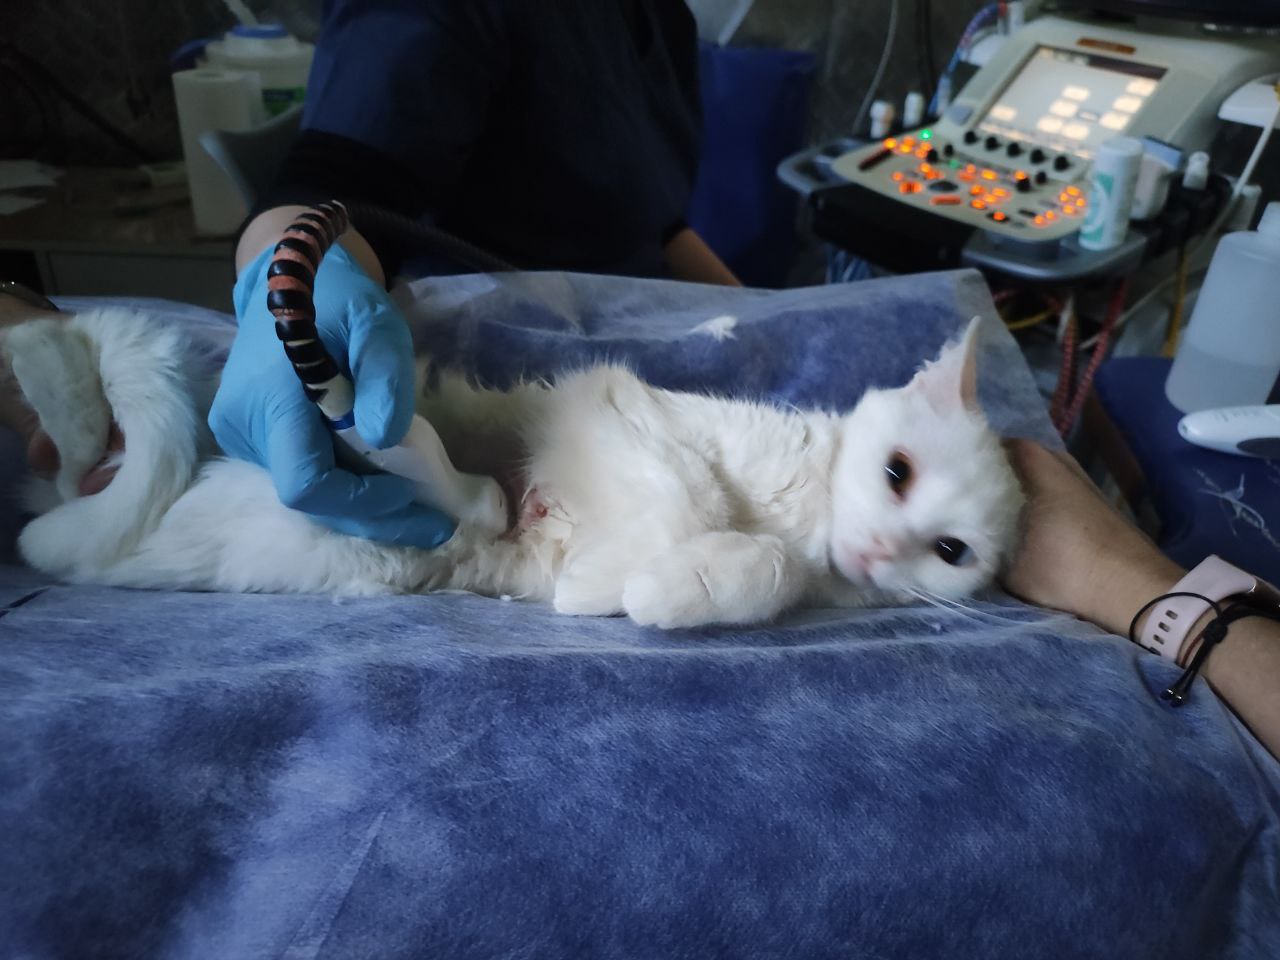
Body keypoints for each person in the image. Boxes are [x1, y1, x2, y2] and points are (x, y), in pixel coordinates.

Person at [1, 287, 1276, 758]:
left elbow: (620, 591)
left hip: (439, 551)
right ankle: (79, 402)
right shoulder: (791, 447)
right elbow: (604, 405)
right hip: (479, 450)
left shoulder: (829, 585)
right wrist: (669, 542)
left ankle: (85, 508)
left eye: (950, 555)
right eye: (900, 478)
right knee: (188, 426)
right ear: (896, 405)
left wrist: (724, 568)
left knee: (193, 543)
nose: (891, 545)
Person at [213, 0, 740, 550]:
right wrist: (293, 279)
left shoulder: (663, 17)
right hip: (495, 389)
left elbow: (657, 223)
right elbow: (334, 181)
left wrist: (769, 310)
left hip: (639, 359)